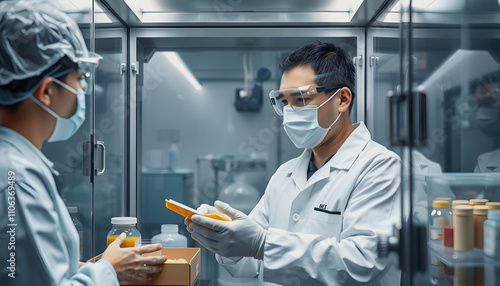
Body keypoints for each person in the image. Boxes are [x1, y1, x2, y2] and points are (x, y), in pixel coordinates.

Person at [186, 41, 401, 285]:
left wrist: (262, 244)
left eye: (300, 99)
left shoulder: (379, 167)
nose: (289, 112)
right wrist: (226, 239)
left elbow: (362, 263)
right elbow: (250, 261)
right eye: (284, 102)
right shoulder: (285, 174)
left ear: (342, 99)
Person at [0, 2, 166, 285]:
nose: (83, 91)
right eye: (79, 79)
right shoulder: (17, 180)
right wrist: (109, 270)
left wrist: (74, 267)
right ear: (48, 91)